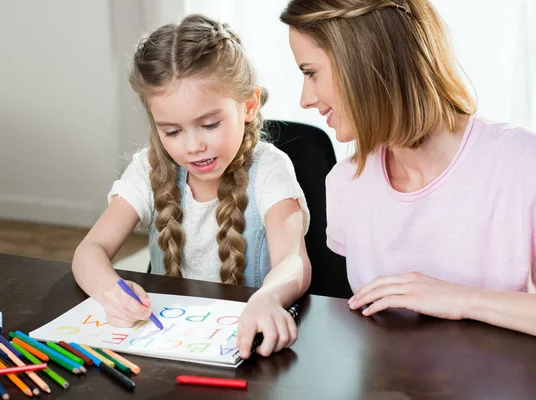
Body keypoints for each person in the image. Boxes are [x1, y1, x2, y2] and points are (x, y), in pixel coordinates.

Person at [281, 0, 536, 335]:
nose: (305, 99)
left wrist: (460, 300)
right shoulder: (346, 183)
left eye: (311, 73)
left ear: (364, 59)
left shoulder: (520, 164)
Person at [72, 14, 311, 359]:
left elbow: (292, 261)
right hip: (167, 345)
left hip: (248, 350)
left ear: (248, 105)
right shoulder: (149, 168)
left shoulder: (270, 169)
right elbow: (89, 251)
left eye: (209, 124)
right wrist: (111, 292)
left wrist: (268, 298)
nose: (193, 146)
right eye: (172, 131)